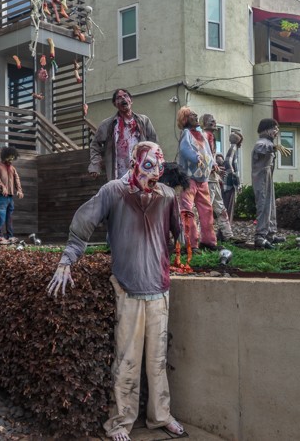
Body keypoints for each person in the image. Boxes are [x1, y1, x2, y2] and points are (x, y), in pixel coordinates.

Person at [46, 142, 185, 441]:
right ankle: (120, 422)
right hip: (128, 287)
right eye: (148, 166)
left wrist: (185, 235)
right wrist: (67, 260)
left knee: (157, 362)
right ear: (134, 163)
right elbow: (83, 223)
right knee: (127, 361)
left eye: (159, 167)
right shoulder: (114, 191)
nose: (155, 174)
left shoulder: (166, 195)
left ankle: (161, 417)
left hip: (159, 288)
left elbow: (177, 231)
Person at [88, 89, 157, 181]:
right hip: (119, 176)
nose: (123, 98)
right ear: (115, 104)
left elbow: (154, 144)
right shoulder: (107, 125)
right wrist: (95, 165)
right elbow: (95, 145)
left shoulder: (143, 121)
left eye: (125, 96)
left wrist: (155, 165)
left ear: (131, 100)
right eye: (118, 97)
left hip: (141, 174)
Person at [177, 107, 217, 251]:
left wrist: (213, 164)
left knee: (207, 210)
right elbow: (185, 149)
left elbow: (208, 152)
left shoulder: (201, 134)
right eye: (192, 115)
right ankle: (191, 242)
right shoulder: (186, 133)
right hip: (189, 178)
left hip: (202, 178)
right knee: (187, 210)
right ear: (185, 119)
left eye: (195, 114)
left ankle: (209, 240)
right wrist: (195, 157)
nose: (196, 116)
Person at [251, 118, 285, 249]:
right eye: (274, 128)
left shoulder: (268, 142)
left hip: (267, 177)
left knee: (270, 205)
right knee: (263, 205)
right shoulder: (262, 142)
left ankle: (270, 234)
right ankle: (260, 236)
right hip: (261, 178)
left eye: (277, 129)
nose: (276, 131)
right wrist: (273, 147)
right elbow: (261, 147)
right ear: (266, 129)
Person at [201, 114, 234, 242]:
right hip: (207, 179)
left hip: (213, 178)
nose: (214, 122)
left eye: (214, 120)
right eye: (211, 121)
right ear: (204, 123)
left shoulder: (211, 137)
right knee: (207, 209)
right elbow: (205, 156)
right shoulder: (204, 136)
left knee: (220, 208)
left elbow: (211, 156)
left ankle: (228, 235)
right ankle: (204, 238)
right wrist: (215, 168)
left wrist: (216, 169)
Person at [0, 146, 23, 245]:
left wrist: (19, 190)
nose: (11, 159)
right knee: (1, 217)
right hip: (2, 196)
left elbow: (17, 179)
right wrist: (2, 187)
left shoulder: (13, 168)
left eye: (13, 157)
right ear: (4, 156)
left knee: (9, 218)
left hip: (10, 197)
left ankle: (10, 236)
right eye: (10, 157)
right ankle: (0, 236)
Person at [222, 131, 243, 222]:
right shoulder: (233, 149)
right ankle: (225, 233)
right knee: (228, 209)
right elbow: (227, 163)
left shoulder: (233, 149)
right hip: (229, 185)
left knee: (227, 209)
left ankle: (224, 233)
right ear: (238, 141)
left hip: (228, 184)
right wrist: (236, 181)